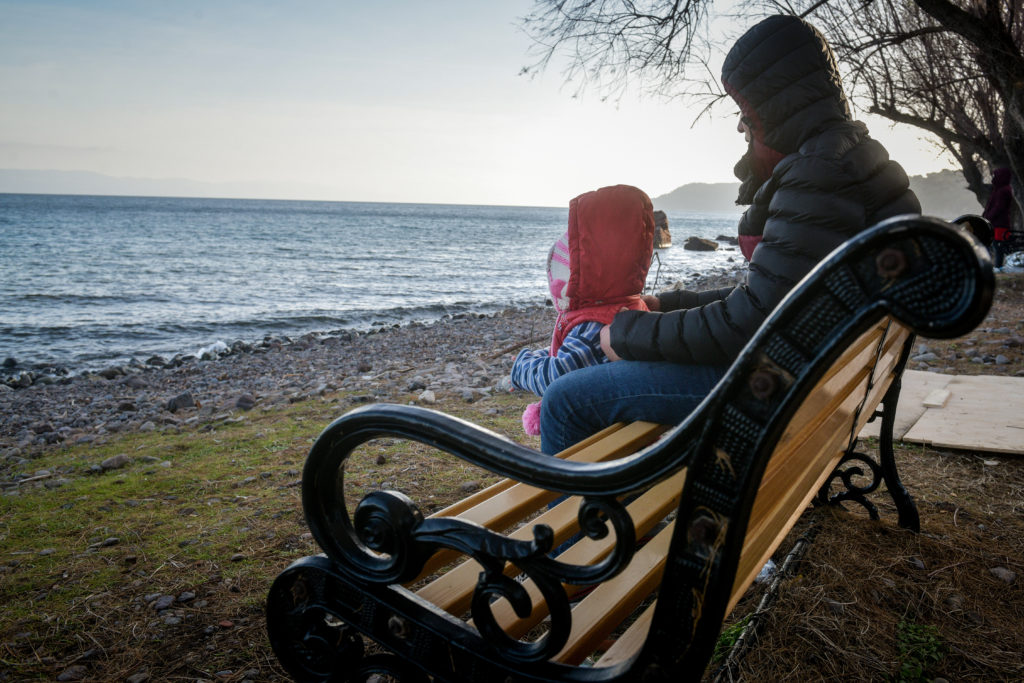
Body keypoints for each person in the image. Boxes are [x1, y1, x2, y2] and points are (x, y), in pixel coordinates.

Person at [538, 15, 921, 455]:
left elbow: (748, 324)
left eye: (746, 112)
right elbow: (777, 297)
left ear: (777, 106)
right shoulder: (852, 157)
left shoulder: (819, 174)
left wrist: (625, 332)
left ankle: (576, 524)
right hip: (822, 373)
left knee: (565, 399)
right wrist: (668, 305)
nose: (741, 127)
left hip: (776, 384)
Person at [510, 184, 654, 435]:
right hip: (623, 425)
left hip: (594, 435)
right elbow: (577, 354)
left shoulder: (593, 326)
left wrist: (521, 366)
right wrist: (543, 353)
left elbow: (555, 379)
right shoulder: (625, 305)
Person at [983, 167, 1014, 267]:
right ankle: (995, 266)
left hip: (1000, 224)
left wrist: (988, 218)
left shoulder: (1004, 190)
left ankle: (998, 267)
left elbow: (998, 208)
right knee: (995, 246)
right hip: (996, 224)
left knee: (998, 247)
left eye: (996, 176)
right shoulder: (998, 189)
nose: (993, 179)